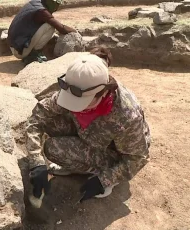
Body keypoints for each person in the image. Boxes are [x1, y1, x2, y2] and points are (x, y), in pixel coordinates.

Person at [26, 47, 151, 204]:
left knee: (53, 147)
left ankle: (102, 173)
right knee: (50, 123)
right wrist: (36, 162)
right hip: (86, 132)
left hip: (113, 151)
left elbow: (138, 158)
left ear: (103, 93)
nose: (75, 106)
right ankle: (76, 164)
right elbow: (39, 115)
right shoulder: (76, 87)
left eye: (83, 103)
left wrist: (105, 180)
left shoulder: (126, 116)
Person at [8, 0, 77, 65]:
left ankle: (30, 52)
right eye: (57, 4)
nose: (57, 7)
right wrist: (75, 31)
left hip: (14, 46)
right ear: (52, 3)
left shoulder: (36, 3)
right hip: (20, 51)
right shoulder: (42, 11)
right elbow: (61, 29)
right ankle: (33, 55)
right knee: (50, 26)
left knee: (47, 24)